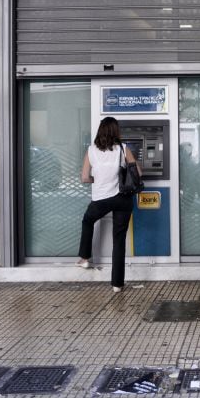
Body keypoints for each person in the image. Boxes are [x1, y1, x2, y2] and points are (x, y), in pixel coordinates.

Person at [77, 117, 140, 293]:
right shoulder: (123, 149)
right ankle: (117, 284)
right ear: (116, 131)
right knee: (119, 240)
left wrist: (94, 179)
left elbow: (84, 177)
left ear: (100, 131)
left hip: (101, 199)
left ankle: (85, 257)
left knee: (88, 221)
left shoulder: (91, 151)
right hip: (123, 198)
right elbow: (137, 173)